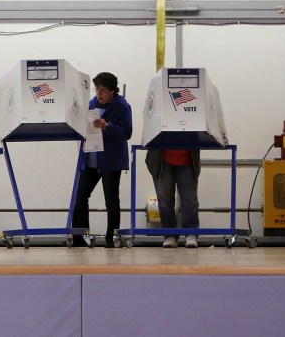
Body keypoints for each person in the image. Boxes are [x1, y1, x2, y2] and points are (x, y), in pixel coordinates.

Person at [72, 71, 133, 248]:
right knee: (81, 196)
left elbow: (127, 133)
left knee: (111, 199)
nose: (99, 93)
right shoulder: (92, 103)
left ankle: (111, 237)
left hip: (110, 160)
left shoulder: (122, 107)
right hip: (91, 158)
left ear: (113, 90)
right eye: (97, 88)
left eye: (103, 89)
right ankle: (79, 236)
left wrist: (107, 126)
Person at [146, 145, 201, 248]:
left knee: (190, 200)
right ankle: (170, 234)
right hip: (161, 159)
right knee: (164, 201)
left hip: (187, 159)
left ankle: (191, 233)